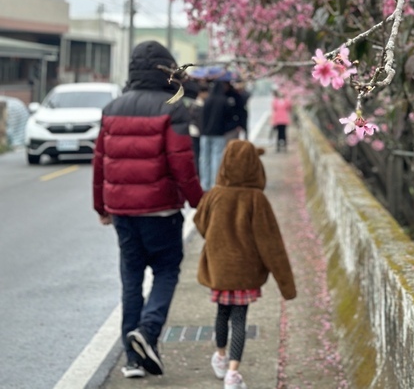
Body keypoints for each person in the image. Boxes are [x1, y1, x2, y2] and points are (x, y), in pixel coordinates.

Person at [93, 40, 204, 380]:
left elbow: (100, 162)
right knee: (167, 272)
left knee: (131, 279)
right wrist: (199, 202)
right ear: (166, 69)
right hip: (160, 211)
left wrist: (101, 206)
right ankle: (149, 331)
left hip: (123, 213)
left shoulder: (112, 108)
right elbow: (182, 164)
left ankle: (132, 359)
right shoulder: (173, 108)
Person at [194, 139, 296, 388]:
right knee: (239, 319)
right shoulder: (256, 199)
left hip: (219, 269)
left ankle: (220, 356)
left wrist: (216, 240)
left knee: (221, 313)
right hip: (245, 271)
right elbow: (271, 244)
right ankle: (233, 373)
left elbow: (199, 222)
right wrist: (287, 285)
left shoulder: (215, 195)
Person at [199, 76, 246, 190]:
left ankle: (204, 183)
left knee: (204, 159)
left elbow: (202, 117)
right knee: (217, 158)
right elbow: (229, 118)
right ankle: (215, 183)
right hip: (219, 134)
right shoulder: (224, 101)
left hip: (205, 134)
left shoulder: (207, 101)